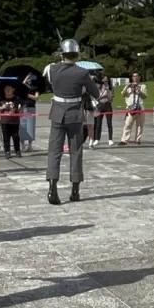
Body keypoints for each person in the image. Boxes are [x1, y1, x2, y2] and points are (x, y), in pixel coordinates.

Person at [45, 38, 98, 204]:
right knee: (75, 152)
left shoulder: (52, 69)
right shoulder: (82, 73)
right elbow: (95, 92)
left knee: (54, 151)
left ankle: (52, 187)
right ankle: (75, 190)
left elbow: (50, 80)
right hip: (74, 115)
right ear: (77, 54)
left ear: (62, 54)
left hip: (57, 113)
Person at [0, 84, 23, 158]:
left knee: (16, 136)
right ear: (4, 90)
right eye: (6, 89)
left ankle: (17, 150)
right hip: (4, 121)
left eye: (9, 89)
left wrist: (19, 110)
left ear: (13, 90)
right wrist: (2, 107)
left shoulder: (17, 99)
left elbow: (22, 105)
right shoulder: (1, 99)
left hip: (14, 121)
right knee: (6, 137)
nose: (8, 91)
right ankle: (7, 151)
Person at [120, 72, 145, 145]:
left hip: (140, 107)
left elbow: (145, 96)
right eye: (134, 76)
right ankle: (124, 140)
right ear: (132, 78)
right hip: (130, 108)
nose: (135, 77)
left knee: (140, 125)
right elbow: (122, 94)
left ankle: (138, 140)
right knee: (127, 124)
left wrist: (139, 91)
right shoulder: (129, 87)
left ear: (139, 77)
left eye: (137, 76)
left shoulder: (143, 86)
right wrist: (127, 87)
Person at [91, 74, 114, 147]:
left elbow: (110, 99)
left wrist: (108, 90)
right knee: (98, 123)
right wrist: (92, 78)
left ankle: (110, 139)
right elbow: (97, 96)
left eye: (106, 80)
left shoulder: (110, 88)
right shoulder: (98, 87)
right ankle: (97, 139)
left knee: (109, 123)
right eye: (104, 80)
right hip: (100, 105)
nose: (105, 82)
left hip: (108, 105)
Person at [20, 72, 39, 152]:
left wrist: (28, 95)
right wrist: (27, 76)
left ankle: (30, 145)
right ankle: (23, 145)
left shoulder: (35, 88)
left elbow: (36, 97)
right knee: (22, 127)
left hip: (31, 108)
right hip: (23, 108)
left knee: (30, 127)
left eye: (30, 79)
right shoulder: (23, 88)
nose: (29, 80)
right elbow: (22, 83)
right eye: (28, 79)